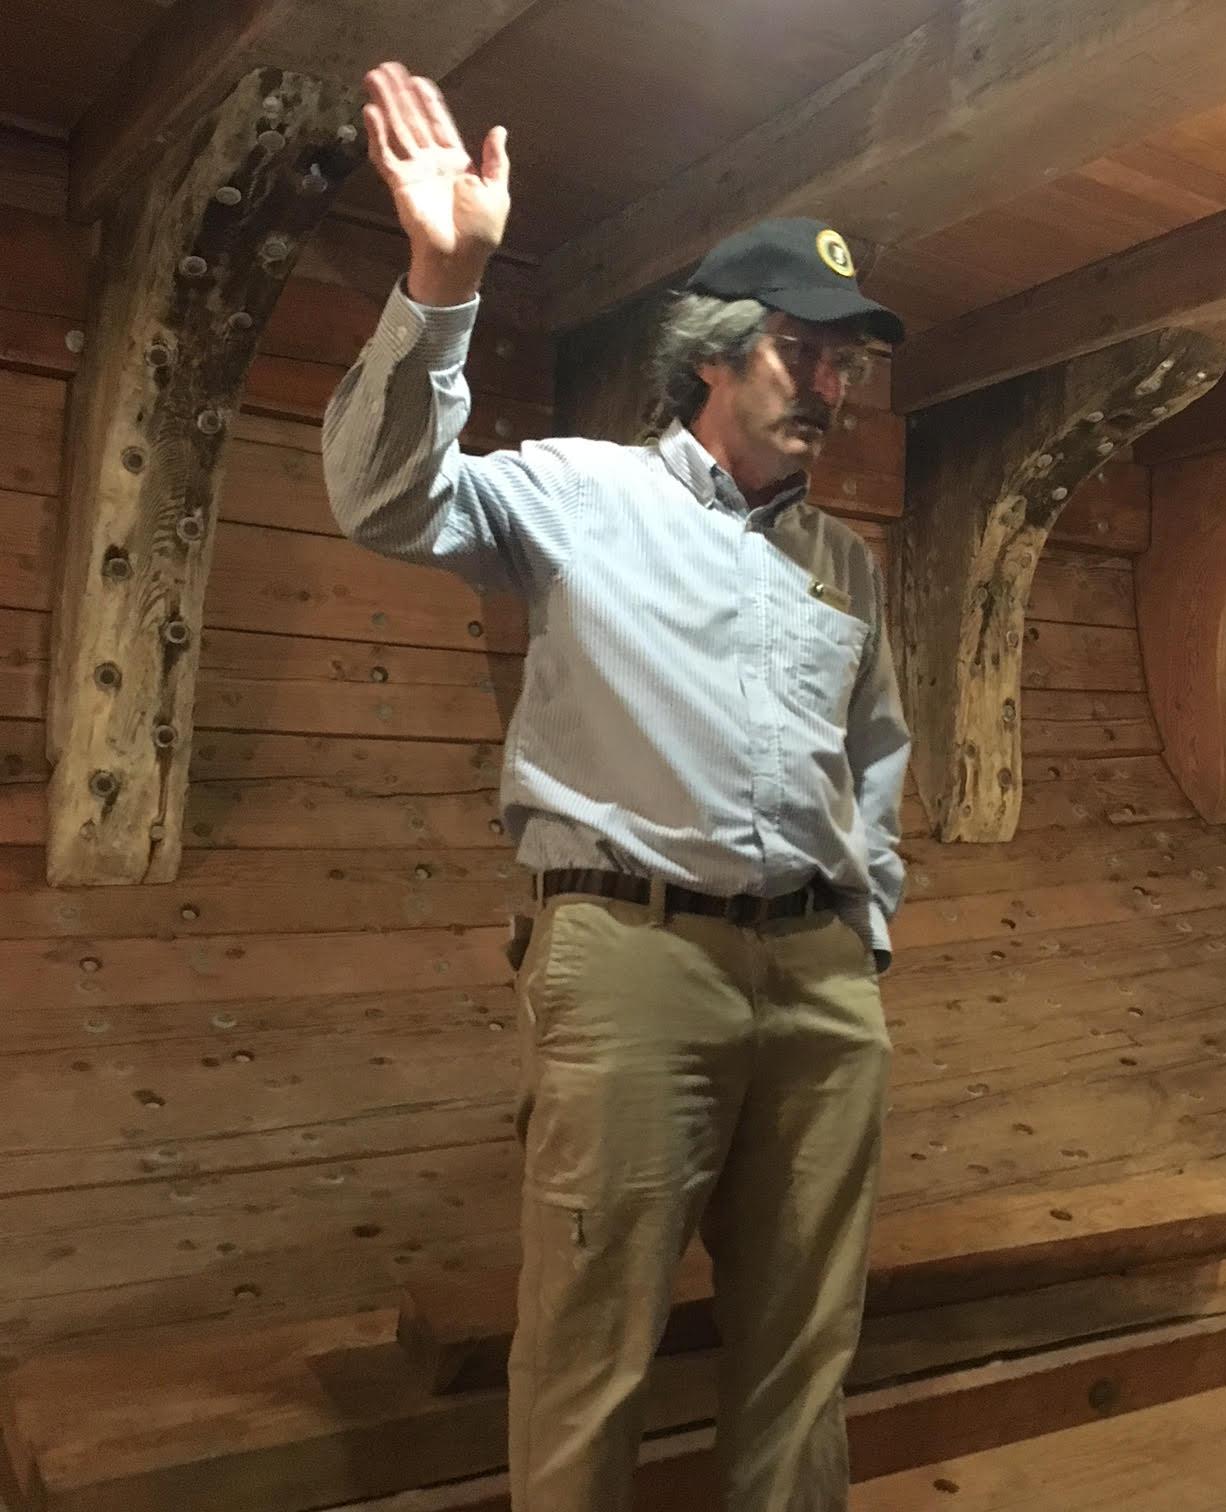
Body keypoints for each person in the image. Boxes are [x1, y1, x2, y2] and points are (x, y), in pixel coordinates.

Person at [323, 61, 911, 1512]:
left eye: (846, 362)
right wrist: (442, 283)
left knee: (802, 1356)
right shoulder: (585, 493)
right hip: (634, 962)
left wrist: (867, 929)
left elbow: (879, 754)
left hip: (823, 986)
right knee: (591, 1355)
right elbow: (387, 497)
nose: (829, 387)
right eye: (800, 351)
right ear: (713, 352)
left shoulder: (845, 566)